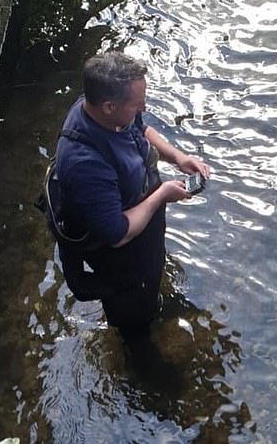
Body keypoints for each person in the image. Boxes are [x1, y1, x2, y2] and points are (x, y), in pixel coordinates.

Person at [54, 51, 209, 341]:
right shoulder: (85, 162)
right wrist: (161, 194)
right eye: (136, 105)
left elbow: (140, 128)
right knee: (135, 323)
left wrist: (177, 157)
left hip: (142, 233)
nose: (143, 109)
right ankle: (139, 358)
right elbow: (117, 233)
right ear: (109, 106)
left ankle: (150, 304)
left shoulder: (105, 110)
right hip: (121, 257)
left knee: (149, 284)